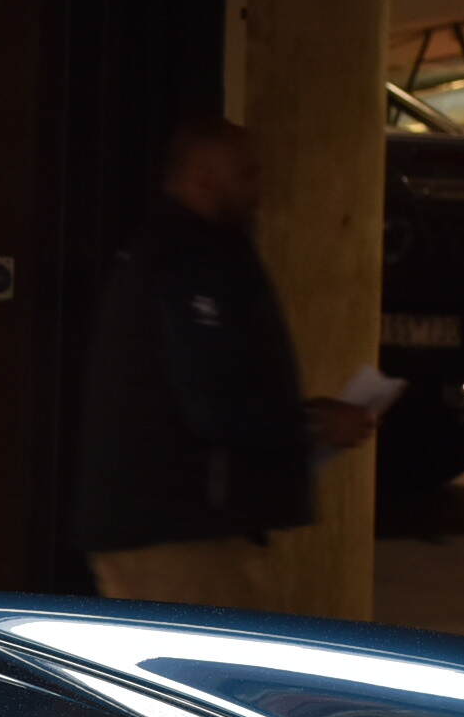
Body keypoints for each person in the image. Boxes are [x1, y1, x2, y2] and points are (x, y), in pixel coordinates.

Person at [72, 117, 375, 608]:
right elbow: (211, 400)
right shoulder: (188, 260)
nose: (259, 188)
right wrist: (311, 425)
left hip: (174, 524)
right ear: (205, 177)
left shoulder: (177, 251)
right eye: (247, 174)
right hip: (178, 531)